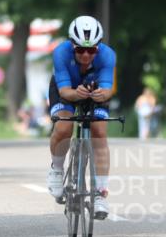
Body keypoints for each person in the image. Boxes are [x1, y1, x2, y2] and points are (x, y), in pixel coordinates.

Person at [46, 15, 116, 219]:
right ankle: (57, 169)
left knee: (99, 132)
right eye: (80, 50)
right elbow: (65, 91)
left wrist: (103, 94)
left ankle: (100, 193)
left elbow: (108, 89)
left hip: (94, 89)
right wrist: (77, 94)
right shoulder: (60, 53)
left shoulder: (108, 55)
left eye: (92, 50)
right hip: (66, 89)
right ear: (72, 45)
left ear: (98, 47)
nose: (86, 55)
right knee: (64, 127)